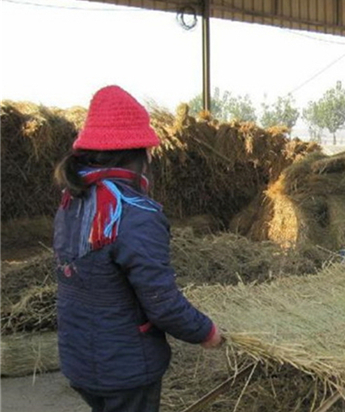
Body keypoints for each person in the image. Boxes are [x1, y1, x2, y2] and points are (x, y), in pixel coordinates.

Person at [53, 85, 223, 412]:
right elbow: (162, 303)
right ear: (139, 153)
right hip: (125, 367)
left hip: (80, 361)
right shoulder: (133, 213)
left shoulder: (71, 202)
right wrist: (207, 331)